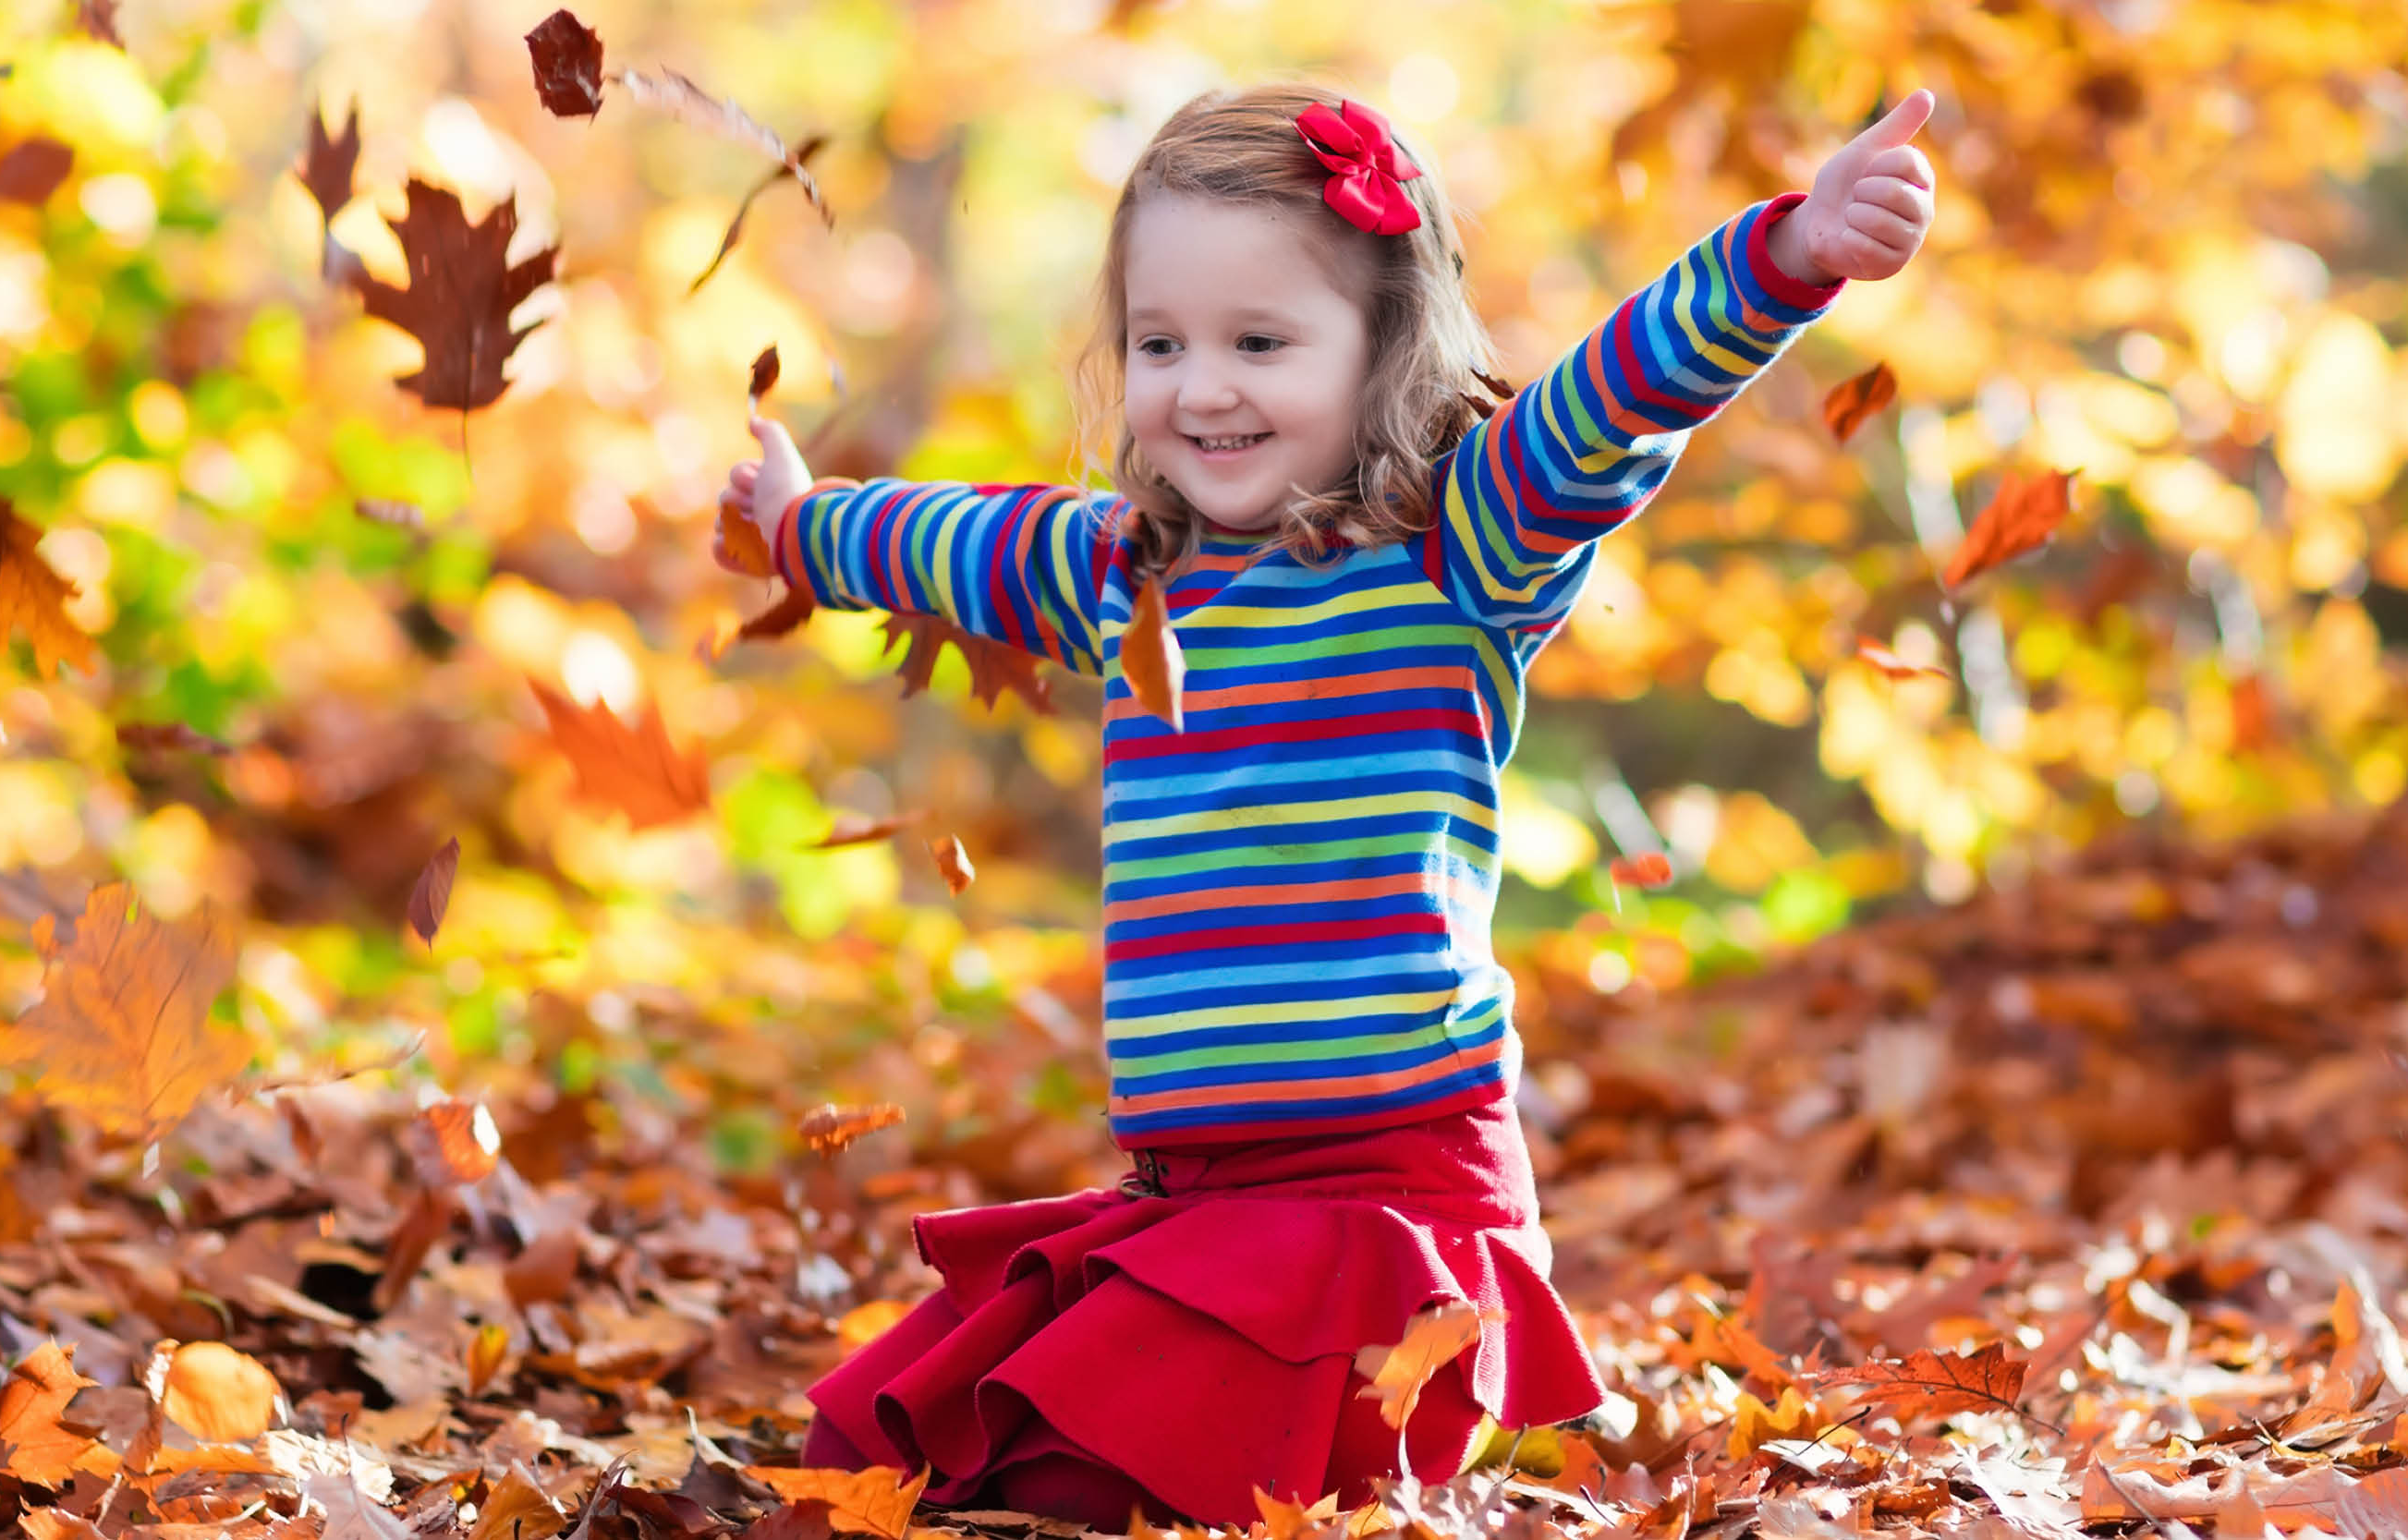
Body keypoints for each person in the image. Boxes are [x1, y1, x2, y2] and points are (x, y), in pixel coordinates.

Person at [715, 80, 1937, 1527]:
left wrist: (1783, 258)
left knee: (1132, 1476)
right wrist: (802, 525)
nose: (1202, 387)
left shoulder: (1459, 550)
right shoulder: (1126, 578)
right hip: (1198, 1198)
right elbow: (949, 541)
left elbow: (1614, 400)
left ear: (1382, 349)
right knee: (942, 1453)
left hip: (1386, 1206)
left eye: (1259, 342)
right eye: (1160, 343)